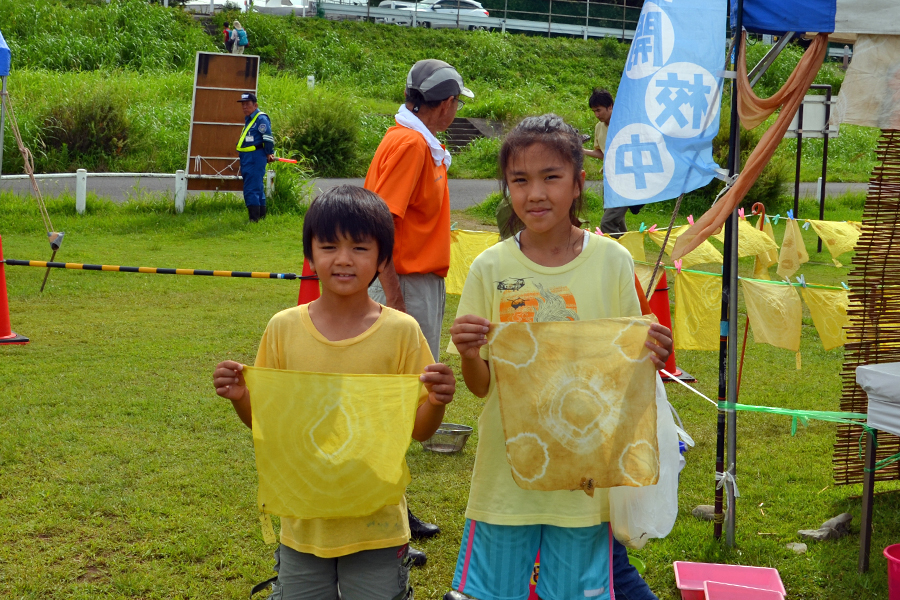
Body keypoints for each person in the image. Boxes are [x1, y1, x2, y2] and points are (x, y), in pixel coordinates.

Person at [447, 114, 671, 600]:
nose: (536, 194)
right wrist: (468, 352)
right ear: (506, 188)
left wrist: (650, 354)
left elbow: (627, 368)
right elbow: (481, 385)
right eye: (520, 180)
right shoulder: (491, 267)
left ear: (578, 183)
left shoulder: (612, 261)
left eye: (551, 177)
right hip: (504, 477)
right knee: (489, 593)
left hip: (583, 481)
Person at [212, 185, 456, 600]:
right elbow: (268, 423)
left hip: (376, 521)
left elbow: (418, 431)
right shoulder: (283, 328)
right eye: (329, 246)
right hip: (303, 518)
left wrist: (436, 401)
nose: (343, 259)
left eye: (360, 248)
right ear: (310, 254)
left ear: (382, 259)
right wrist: (240, 397)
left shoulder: (401, 332)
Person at [364, 58, 474, 557]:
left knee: (399, 398)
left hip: (413, 279)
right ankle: (381, 519)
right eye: (455, 103)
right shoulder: (410, 144)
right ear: (446, 104)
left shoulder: (413, 140)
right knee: (395, 398)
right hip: (403, 280)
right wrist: (396, 296)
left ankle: (392, 509)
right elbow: (380, 221)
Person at [584, 88, 635, 238]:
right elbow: (602, 153)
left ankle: (617, 255)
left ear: (610, 106)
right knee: (617, 222)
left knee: (608, 223)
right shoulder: (598, 127)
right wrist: (582, 150)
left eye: (599, 110)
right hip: (609, 178)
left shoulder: (626, 123)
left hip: (626, 178)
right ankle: (630, 255)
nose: (597, 115)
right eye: (594, 111)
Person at [236, 92, 274, 223]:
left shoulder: (260, 119)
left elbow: (268, 137)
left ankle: (254, 219)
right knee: (257, 186)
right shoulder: (250, 119)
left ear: (255, 105)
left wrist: (269, 152)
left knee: (251, 187)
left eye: (247, 104)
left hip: (254, 157)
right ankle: (261, 218)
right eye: (243, 105)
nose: (244, 107)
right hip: (248, 157)